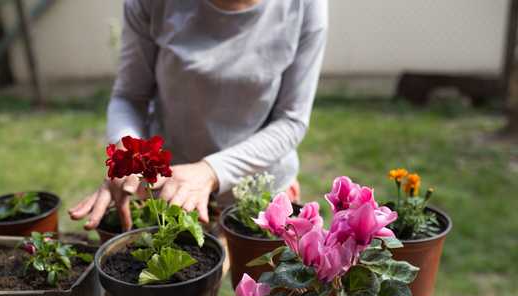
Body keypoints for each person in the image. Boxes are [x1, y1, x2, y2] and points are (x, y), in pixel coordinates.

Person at [69, 0, 328, 230]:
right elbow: (130, 97)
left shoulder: (305, 5)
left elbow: (291, 120)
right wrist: (128, 156)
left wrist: (210, 171)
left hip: (259, 192)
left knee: (260, 284)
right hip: (172, 189)